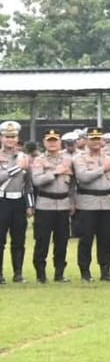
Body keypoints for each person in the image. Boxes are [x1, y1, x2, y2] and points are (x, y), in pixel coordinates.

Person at [73, 127, 110, 282]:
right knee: (86, 239)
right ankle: (85, 271)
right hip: (87, 202)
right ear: (87, 140)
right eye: (93, 139)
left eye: (98, 139)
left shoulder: (109, 158)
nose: (96, 142)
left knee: (105, 239)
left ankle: (105, 270)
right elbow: (82, 177)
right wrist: (102, 169)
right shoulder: (80, 158)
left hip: (106, 203)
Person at [31, 129, 74, 283]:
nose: (52, 143)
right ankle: (41, 274)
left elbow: (73, 184)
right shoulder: (39, 160)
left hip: (63, 205)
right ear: (44, 143)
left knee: (62, 241)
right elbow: (37, 181)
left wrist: (72, 202)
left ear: (60, 142)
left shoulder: (68, 160)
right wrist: (55, 172)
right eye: (49, 140)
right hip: (45, 205)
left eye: (55, 140)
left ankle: (59, 273)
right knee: (42, 241)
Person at [0, 121, 30, 283]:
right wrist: (17, 168)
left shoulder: (24, 157)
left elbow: (28, 184)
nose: (10, 140)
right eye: (7, 137)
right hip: (2, 200)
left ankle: (18, 273)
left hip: (19, 201)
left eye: (13, 137)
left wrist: (30, 205)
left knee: (19, 239)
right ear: (1, 138)